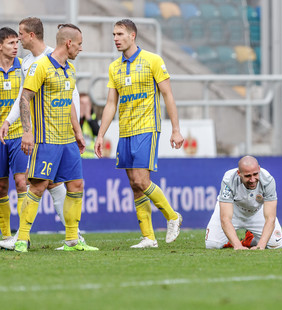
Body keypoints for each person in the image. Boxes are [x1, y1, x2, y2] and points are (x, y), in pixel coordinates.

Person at [0, 17, 95, 251]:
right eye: (79, 44)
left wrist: (77, 132)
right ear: (69, 43)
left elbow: (70, 102)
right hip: (47, 139)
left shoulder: (70, 68)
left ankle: (72, 240)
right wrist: (27, 131)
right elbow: (25, 98)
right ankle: (22, 239)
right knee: (38, 186)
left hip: (67, 140)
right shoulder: (40, 65)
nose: (81, 48)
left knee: (76, 185)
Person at [94, 19, 184, 248]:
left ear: (132, 35)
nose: (116, 38)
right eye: (114, 34)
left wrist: (175, 129)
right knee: (134, 184)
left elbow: (168, 95)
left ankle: (172, 216)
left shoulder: (152, 60)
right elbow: (110, 105)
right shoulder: (114, 67)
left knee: (143, 181)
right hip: (125, 131)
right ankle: (148, 237)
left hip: (147, 128)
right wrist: (101, 134)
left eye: (120, 34)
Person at [205, 156, 282, 250]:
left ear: (259, 169)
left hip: (257, 211)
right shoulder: (229, 179)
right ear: (239, 173)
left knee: (276, 244)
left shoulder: (268, 180)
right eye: (248, 176)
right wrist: (237, 246)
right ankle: (232, 241)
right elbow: (225, 218)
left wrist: (261, 246)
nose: (252, 180)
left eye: (255, 174)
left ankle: (250, 239)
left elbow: (270, 218)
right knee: (212, 245)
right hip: (233, 210)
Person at [0, 27, 28, 242]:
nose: (15, 47)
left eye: (17, 43)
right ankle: (6, 235)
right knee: (1, 185)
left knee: (21, 182)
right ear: (0, 46)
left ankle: (23, 235)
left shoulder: (24, 67)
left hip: (18, 134)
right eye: (10, 43)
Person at [79, 92, 99, 158]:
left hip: (90, 156)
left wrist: (89, 118)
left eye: (87, 104)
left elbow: (98, 132)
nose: (85, 106)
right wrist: (80, 117)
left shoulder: (92, 116)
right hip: (78, 156)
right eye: (82, 104)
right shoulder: (74, 118)